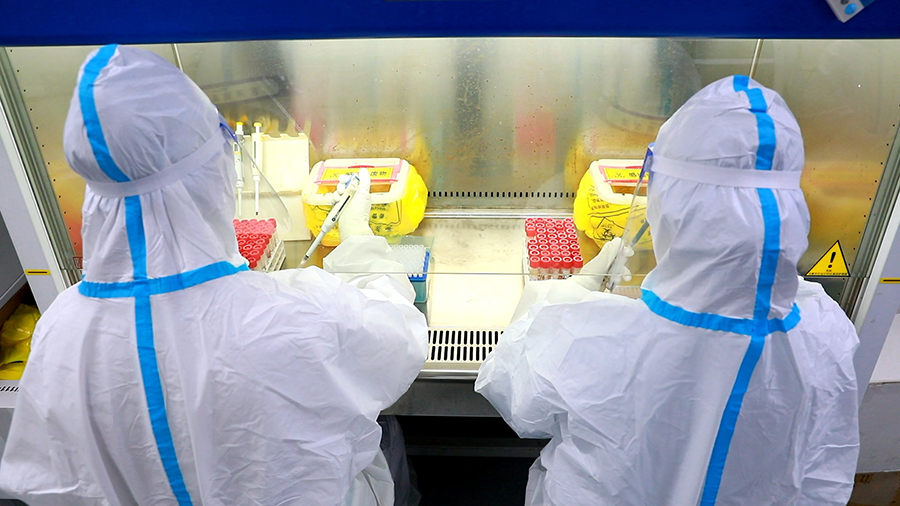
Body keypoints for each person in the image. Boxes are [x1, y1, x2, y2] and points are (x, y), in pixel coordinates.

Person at [0, 44, 427, 506]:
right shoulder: (294, 316)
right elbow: (398, 341)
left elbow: (51, 484)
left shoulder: (60, 329)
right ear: (211, 176)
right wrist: (360, 242)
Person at [475, 75, 860, 506]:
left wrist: (560, 294)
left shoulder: (592, 336)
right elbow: (827, 468)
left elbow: (514, 399)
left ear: (671, 205)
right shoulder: (828, 334)